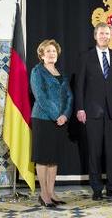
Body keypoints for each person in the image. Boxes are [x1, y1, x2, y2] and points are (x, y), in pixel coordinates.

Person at [75, 22, 112, 201]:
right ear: (95, 35)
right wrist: (80, 108)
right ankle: (97, 189)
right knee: (94, 152)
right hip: (92, 112)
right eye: (101, 33)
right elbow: (79, 85)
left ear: (110, 35)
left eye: (107, 33)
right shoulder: (85, 57)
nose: (104, 36)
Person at [30, 39, 73, 207]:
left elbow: (69, 96)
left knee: (53, 158)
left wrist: (65, 115)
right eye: (48, 51)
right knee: (43, 157)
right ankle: (44, 194)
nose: (51, 54)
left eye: (54, 51)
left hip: (60, 120)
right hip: (42, 118)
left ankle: (52, 192)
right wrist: (57, 115)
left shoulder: (60, 72)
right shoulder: (37, 71)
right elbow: (40, 97)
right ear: (41, 54)